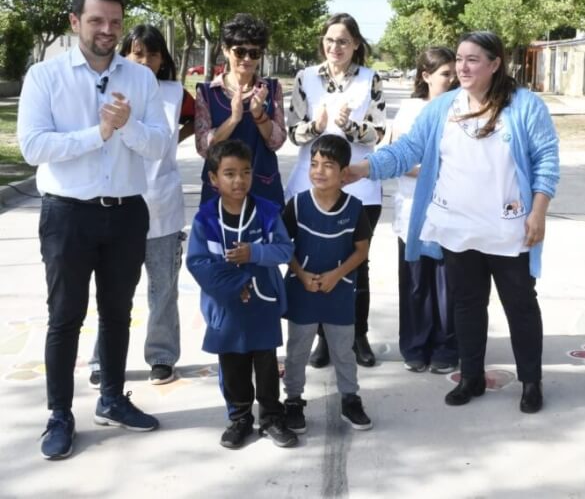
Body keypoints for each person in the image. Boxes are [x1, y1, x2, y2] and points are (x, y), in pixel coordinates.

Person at [345, 31, 559, 414]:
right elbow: (407, 150)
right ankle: (471, 376)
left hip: (509, 228)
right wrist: (363, 169)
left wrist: (538, 210)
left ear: (495, 64)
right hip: (458, 228)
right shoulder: (442, 107)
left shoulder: (525, 105)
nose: (462, 66)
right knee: (466, 305)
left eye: (473, 59)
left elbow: (546, 160)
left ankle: (531, 381)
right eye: (459, 59)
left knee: (521, 307)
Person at [17, 0, 170, 459]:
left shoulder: (141, 79)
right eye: (97, 21)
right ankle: (59, 415)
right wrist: (99, 132)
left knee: (118, 313)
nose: (107, 30)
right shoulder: (45, 76)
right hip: (68, 214)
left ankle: (112, 398)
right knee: (65, 317)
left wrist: (129, 128)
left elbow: (161, 145)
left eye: (115, 22)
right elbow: (33, 147)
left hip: (126, 213)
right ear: (74, 22)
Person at [86, 24, 194, 388]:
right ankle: (102, 360)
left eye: (152, 53)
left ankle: (162, 357)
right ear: (126, 54)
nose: (144, 60)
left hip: (161, 204)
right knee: (114, 291)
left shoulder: (175, 93)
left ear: (163, 58)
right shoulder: (112, 86)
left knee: (163, 288)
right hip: (118, 203)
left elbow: (196, 119)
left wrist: (175, 139)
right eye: (137, 52)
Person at [284, 13, 386, 368]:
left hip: (359, 186)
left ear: (356, 44)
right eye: (330, 40)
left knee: (358, 264)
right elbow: (292, 133)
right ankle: (323, 339)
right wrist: (318, 125)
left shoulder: (371, 78)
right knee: (318, 259)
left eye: (343, 41)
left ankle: (358, 335)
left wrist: (351, 127)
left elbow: (378, 133)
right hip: (312, 184)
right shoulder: (305, 78)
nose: (335, 47)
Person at [185, 139, 297, 449]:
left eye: (245, 172)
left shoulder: (266, 211)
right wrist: (235, 286)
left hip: (262, 304)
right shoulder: (205, 219)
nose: (239, 180)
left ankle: (272, 417)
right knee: (232, 363)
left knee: (265, 362)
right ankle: (240, 417)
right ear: (213, 179)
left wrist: (255, 253)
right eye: (229, 173)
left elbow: (285, 250)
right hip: (227, 307)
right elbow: (198, 263)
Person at [281, 135, 374, 433]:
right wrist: (302, 273)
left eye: (328, 165)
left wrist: (336, 275)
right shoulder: (297, 205)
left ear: (344, 172)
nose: (319, 171)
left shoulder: (355, 207)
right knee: (297, 351)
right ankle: (293, 400)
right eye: (314, 164)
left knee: (343, 351)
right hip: (303, 291)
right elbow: (284, 246)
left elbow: (362, 251)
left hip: (340, 292)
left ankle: (350, 399)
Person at [392, 47, 459, 374]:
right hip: (414, 212)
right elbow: (400, 159)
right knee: (416, 283)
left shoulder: (464, 109)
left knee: (448, 284)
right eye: (446, 73)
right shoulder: (409, 112)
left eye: (455, 72)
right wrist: (436, 169)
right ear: (425, 76)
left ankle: (447, 347)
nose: (453, 79)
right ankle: (415, 346)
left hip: (453, 212)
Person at [195, 13, 286, 206]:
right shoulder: (208, 92)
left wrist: (259, 115)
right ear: (226, 50)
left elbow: (277, 142)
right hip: (219, 190)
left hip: (263, 186)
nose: (247, 58)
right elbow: (203, 147)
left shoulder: (271, 89)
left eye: (254, 53)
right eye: (240, 51)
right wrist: (233, 119)